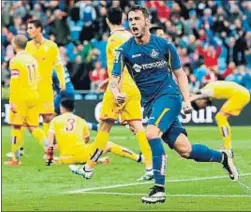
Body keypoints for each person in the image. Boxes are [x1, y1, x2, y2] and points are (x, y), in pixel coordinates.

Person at [109, 5, 238, 204]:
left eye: (137, 19)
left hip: (169, 97)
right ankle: (223, 157)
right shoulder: (124, 50)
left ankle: (158, 189)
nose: (133, 23)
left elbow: (180, 74)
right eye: (131, 19)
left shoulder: (164, 45)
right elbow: (114, 79)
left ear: (147, 21)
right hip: (150, 104)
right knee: (185, 150)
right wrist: (116, 92)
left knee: (151, 133)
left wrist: (187, 99)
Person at [69, 7, 153, 181]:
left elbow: (119, 62)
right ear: (123, 19)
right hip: (133, 87)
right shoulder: (130, 36)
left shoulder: (114, 39)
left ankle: (88, 168)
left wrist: (113, 87)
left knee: (104, 127)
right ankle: (150, 166)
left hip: (119, 88)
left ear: (107, 20)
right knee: (137, 126)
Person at [46, 98, 144, 166]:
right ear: (73, 108)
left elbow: (50, 145)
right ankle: (139, 158)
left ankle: (95, 160)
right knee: (107, 144)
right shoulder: (80, 120)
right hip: (82, 155)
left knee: (62, 147)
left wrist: (49, 156)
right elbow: (86, 138)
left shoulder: (55, 120)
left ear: (61, 108)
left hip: (65, 159)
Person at [5, 35, 49, 165]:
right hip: (34, 95)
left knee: (16, 126)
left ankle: (15, 158)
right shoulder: (33, 59)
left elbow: (14, 82)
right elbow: (38, 78)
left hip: (21, 97)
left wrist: (12, 100)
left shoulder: (15, 61)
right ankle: (48, 149)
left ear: (14, 45)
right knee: (33, 127)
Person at [26, 20, 65, 139]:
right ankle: (19, 150)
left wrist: (62, 82)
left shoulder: (51, 46)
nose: (28, 31)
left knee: (47, 117)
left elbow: (58, 66)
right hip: (31, 88)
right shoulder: (28, 46)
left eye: (30, 28)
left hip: (46, 87)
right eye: (28, 28)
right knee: (27, 121)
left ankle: (49, 148)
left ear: (39, 29)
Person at [190, 81, 250, 153]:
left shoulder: (206, 90)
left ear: (199, 101)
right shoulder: (207, 89)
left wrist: (192, 98)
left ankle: (227, 148)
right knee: (222, 118)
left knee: (220, 117)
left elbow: (207, 93)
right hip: (241, 94)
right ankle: (227, 146)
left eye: (200, 107)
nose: (204, 107)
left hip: (240, 95)